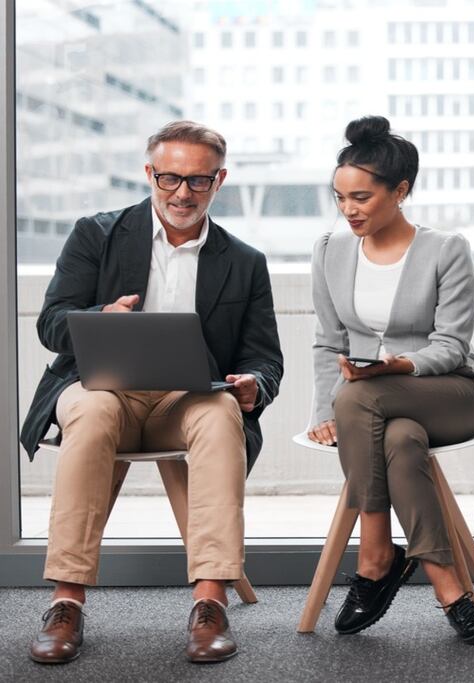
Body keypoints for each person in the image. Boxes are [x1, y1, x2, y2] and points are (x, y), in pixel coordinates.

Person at [19, 121, 284, 665]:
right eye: (168, 178)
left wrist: (255, 383)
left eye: (197, 181)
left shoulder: (245, 262)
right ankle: (66, 602)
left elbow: (265, 356)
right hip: (99, 390)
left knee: (219, 414)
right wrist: (99, 317)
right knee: (91, 412)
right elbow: (50, 324)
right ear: (149, 174)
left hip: (184, 402)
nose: (181, 192)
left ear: (220, 180)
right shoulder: (96, 234)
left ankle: (209, 604)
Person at [306, 115, 474, 645]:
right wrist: (325, 411)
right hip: (376, 407)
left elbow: (452, 346)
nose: (349, 210)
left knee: (362, 395)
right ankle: (451, 590)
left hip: (450, 390)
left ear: (401, 191)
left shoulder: (445, 248)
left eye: (362, 198)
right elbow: (329, 340)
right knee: (399, 438)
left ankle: (375, 556)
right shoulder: (330, 250)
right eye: (340, 197)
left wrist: (399, 367)